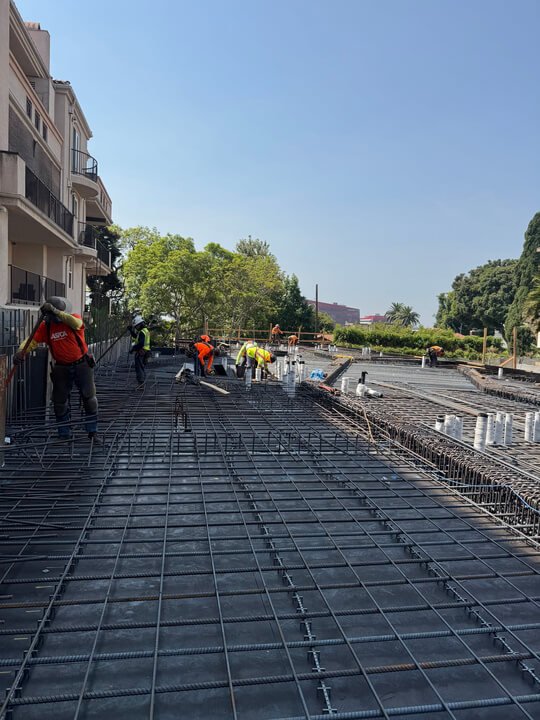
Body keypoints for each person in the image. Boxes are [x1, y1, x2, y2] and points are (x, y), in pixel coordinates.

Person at [13, 296, 100, 443]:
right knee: (60, 402)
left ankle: (92, 432)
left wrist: (56, 311)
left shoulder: (73, 320)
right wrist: (21, 351)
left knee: (89, 399)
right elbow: (31, 341)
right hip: (61, 368)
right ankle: (64, 433)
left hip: (82, 365)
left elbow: (77, 323)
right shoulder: (46, 327)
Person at [128, 315, 151, 386]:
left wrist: (133, 349)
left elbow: (141, 343)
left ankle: (141, 383)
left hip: (141, 352)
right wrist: (131, 331)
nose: (136, 328)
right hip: (146, 352)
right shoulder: (145, 331)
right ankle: (142, 382)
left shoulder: (142, 332)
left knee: (139, 368)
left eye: (136, 326)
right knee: (142, 367)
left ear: (140, 324)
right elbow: (136, 337)